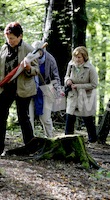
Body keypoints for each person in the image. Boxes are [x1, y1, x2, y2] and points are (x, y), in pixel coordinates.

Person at [0, 22, 39, 155]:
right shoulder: (3, 49)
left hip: (23, 88)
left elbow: (36, 70)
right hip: (6, 88)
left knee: (23, 117)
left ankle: (30, 148)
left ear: (20, 36)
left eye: (12, 38)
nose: (9, 41)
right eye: (7, 38)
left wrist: (29, 68)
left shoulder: (28, 49)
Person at [64, 46, 98, 143]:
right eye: (75, 57)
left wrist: (78, 86)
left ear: (84, 57)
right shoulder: (70, 65)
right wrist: (68, 80)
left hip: (86, 97)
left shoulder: (90, 68)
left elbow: (94, 84)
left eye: (79, 57)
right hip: (73, 95)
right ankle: (67, 139)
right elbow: (66, 75)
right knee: (70, 117)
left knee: (87, 119)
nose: (77, 59)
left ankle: (92, 140)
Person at [29, 41, 62, 138]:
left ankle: (50, 138)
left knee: (45, 118)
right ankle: (30, 141)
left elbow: (55, 77)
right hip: (30, 89)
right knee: (29, 118)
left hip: (46, 88)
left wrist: (58, 90)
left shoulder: (50, 59)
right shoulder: (29, 58)